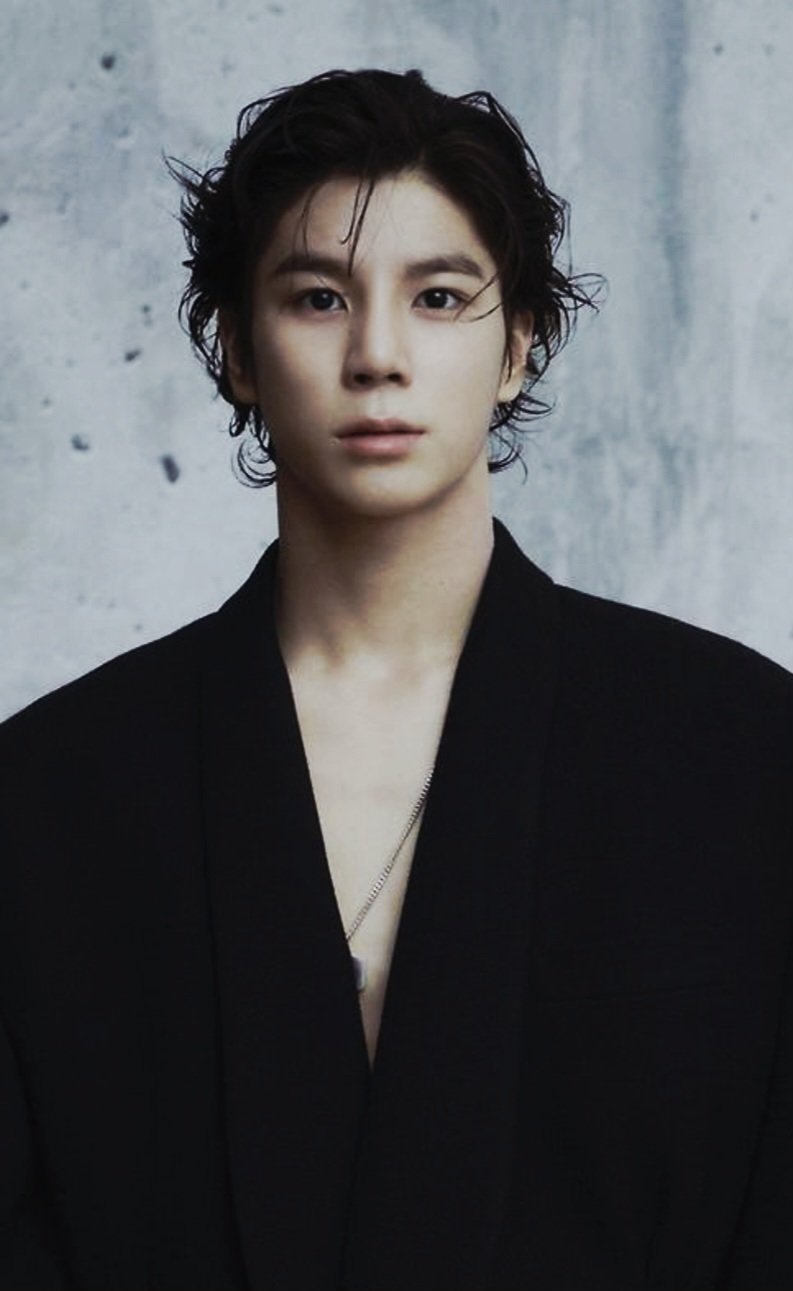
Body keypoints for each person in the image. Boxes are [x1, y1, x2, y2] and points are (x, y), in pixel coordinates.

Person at [1, 67, 791, 1291]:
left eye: (438, 297)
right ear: (235, 348)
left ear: (520, 344)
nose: (377, 355)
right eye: (318, 297)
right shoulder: (52, 789)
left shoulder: (739, 751)